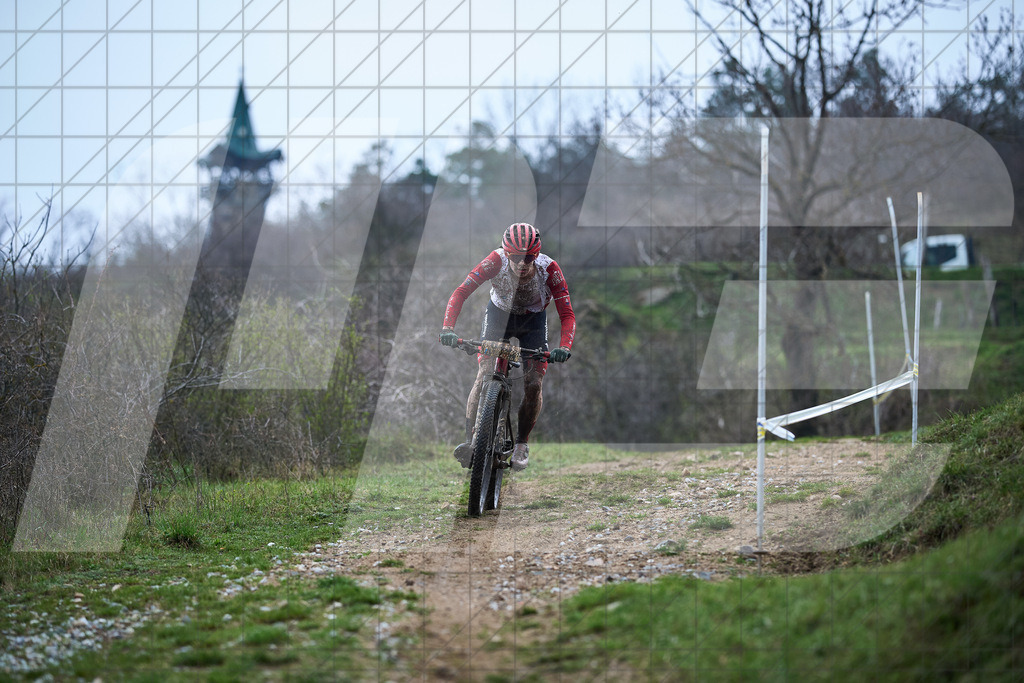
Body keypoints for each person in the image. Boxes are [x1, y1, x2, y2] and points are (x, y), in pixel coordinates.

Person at [439, 223, 576, 472]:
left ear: (537, 255)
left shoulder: (550, 269)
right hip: (499, 317)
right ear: (506, 253)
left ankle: (522, 443)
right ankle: (472, 441)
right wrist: (448, 328)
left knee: (534, 383)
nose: (522, 264)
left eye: (529, 258)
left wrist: (564, 346)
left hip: (533, 322)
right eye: (515, 257)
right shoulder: (495, 261)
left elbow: (567, 314)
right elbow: (461, 292)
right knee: (483, 375)